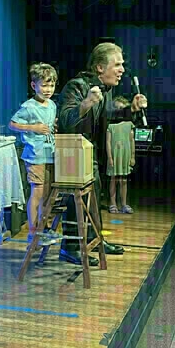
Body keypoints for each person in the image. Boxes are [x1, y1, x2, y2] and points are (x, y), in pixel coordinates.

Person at [56, 42, 147, 266]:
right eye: (117, 65)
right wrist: (86, 103)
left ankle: (94, 239)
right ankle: (69, 248)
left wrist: (131, 109)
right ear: (99, 67)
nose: (122, 70)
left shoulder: (104, 91)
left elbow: (110, 116)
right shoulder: (76, 86)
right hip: (71, 154)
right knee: (77, 202)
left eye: (122, 65)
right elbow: (65, 121)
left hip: (89, 153)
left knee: (94, 199)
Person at [8, 63, 60, 245]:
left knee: (47, 193)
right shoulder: (28, 107)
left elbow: (50, 124)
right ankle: (32, 232)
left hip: (49, 153)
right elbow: (12, 124)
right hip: (35, 155)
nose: (48, 90)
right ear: (33, 85)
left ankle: (43, 228)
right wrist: (33, 128)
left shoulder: (52, 105)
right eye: (44, 85)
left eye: (51, 85)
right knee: (37, 191)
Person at [106, 96, 135, 214]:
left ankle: (123, 204)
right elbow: (108, 142)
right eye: (117, 108)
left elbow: (132, 141)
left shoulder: (129, 124)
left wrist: (132, 157)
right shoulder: (110, 126)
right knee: (113, 180)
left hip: (125, 156)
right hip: (114, 156)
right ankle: (113, 203)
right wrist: (110, 157)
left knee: (123, 181)